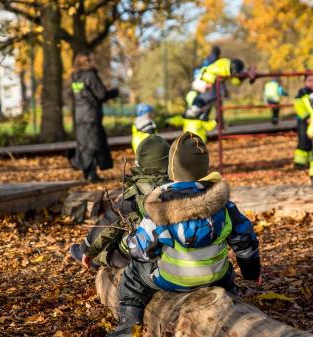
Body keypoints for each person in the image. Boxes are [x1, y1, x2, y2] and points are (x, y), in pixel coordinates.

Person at [108, 132, 262, 337]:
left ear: (172, 169)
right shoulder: (224, 206)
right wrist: (252, 272)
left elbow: (141, 251)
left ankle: (128, 326)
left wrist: (129, 242)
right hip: (216, 276)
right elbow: (245, 242)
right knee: (228, 274)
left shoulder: (160, 207)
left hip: (173, 279)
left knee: (133, 275)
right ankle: (233, 298)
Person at [69, 135, 171, 269]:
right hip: (181, 246)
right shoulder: (181, 182)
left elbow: (109, 222)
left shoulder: (138, 191)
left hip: (150, 252)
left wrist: (86, 248)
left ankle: (94, 261)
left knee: (120, 240)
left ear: (139, 164)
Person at [168, 58, 246, 142]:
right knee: (198, 108)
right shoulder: (219, 68)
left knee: (204, 110)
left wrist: (242, 77)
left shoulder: (222, 71)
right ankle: (197, 111)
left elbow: (234, 80)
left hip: (209, 94)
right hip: (206, 91)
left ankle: (211, 118)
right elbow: (211, 71)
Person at [69, 51, 119, 182]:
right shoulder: (90, 75)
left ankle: (86, 172)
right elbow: (101, 94)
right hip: (91, 115)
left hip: (80, 116)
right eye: (92, 59)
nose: (94, 61)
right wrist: (114, 92)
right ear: (86, 61)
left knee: (84, 143)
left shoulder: (75, 76)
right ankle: (92, 174)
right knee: (94, 143)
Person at [293, 73, 313, 170]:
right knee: (303, 142)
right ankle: (299, 164)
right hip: (304, 121)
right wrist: (306, 117)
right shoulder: (302, 93)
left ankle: (311, 162)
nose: (312, 83)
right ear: (305, 82)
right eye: (309, 80)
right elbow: (298, 106)